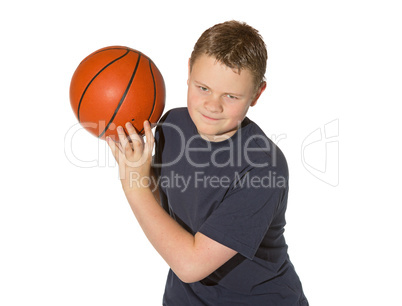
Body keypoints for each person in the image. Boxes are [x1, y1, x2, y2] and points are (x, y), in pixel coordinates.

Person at [107, 20, 308, 305]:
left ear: (257, 93)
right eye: (203, 88)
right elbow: (163, 207)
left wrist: (132, 185)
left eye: (231, 96)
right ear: (188, 71)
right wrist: (138, 171)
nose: (213, 106)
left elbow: (191, 265)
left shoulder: (263, 168)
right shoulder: (172, 124)